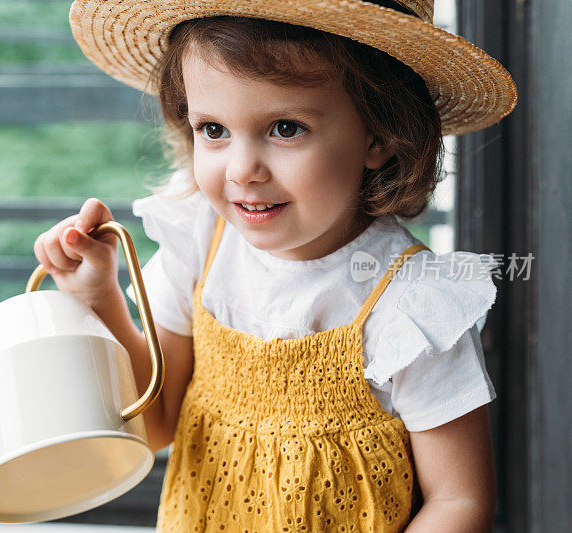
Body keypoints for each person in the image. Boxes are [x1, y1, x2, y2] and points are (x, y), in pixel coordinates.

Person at [34, 1, 517, 531]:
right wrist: (98, 296)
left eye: (286, 128)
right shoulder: (201, 243)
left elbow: (459, 501)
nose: (242, 170)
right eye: (213, 130)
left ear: (378, 135)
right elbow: (155, 424)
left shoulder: (412, 305)